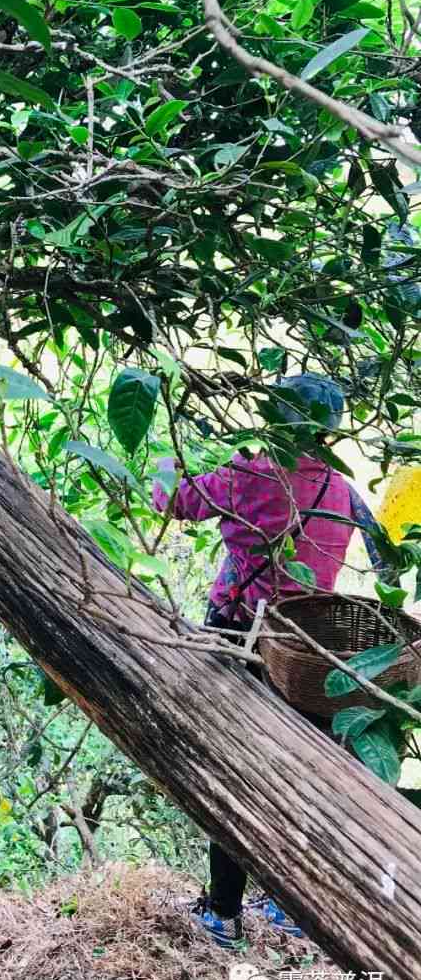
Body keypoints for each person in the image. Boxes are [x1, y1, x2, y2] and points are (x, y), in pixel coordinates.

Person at [152, 373, 384, 948]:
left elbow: (171, 499)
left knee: (235, 770)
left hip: (240, 640)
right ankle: (291, 910)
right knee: (300, 776)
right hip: (313, 651)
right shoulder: (342, 487)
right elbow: (386, 559)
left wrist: (165, 453)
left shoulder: (247, 474)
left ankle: (224, 915)